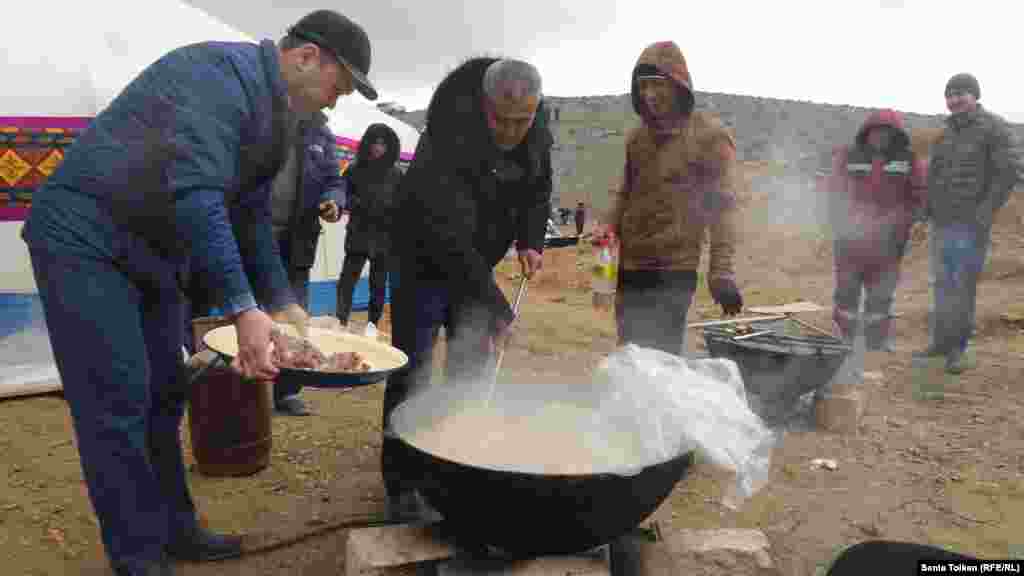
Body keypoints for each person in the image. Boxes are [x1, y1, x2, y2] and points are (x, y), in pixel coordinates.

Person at [19, 9, 377, 575]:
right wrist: (241, 307)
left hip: (153, 251)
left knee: (166, 390)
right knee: (118, 400)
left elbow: (251, 216)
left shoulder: (279, 122)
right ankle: (137, 556)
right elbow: (199, 195)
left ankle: (176, 530)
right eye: (339, 86)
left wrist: (279, 301)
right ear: (307, 57)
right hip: (83, 239)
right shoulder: (215, 76)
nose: (334, 104)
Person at [382, 58, 552, 519]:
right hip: (423, 256)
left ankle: (457, 466)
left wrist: (531, 239)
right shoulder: (448, 133)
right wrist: (498, 306)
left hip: (474, 261)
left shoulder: (537, 127)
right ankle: (401, 481)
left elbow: (538, 186)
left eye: (524, 120)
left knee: (471, 363)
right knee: (413, 367)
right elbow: (448, 240)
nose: (513, 132)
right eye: (503, 120)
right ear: (483, 106)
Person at [186, 111, 346, 417]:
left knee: (292, 313)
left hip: (297, 242)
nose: (332, 100)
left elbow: (334, 180)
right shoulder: (258, 119)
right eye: (335, 89)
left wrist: (333, 201)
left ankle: (287, 390)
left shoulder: (321, 135)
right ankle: (238, 388)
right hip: (248, 238)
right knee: (242, 313)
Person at [602, 40, 743, 355]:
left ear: (678, 85)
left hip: (674, 267)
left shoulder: (709, 137)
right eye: (643, 86)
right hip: (631, 264)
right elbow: (626, 192)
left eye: (657, 84)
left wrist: (722, 271)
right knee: (631, 353)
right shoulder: (637, 138)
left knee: (661, 358)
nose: (649, 94)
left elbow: (723, 210)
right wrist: (609, 228)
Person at [913, 73, 1020, 373]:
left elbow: (1009, 172)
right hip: (942, 223)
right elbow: (934, 177)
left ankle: (957, 350)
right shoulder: (946, 133)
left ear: (975, 96)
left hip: (970, 225)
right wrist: (925, 212)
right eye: (950, 94)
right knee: (943, 285)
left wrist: (985, 212)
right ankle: (941, 343)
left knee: (962, 287)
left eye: (961, 93)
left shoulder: (994, 128)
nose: (954, 99)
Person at [822, 110, 927, 351]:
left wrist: (897, 222)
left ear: (895, 135)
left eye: (886, 133)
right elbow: (835, 191)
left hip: (889, 242)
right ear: (867, 133)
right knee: (846, 292)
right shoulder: (848, 155)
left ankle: (876, 341)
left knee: (881, 294)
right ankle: (843, 337)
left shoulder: (908, 160)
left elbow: (918, 198)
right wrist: (844, 221)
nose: (879, 137)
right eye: (875, 132)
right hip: (850, 241)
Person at [336, 123, 402, 330]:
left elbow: (403, 203)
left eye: (383, 143)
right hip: (359, 232)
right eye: (375, 142)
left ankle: (372, 325)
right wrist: (359, 204)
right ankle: (341, 321)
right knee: (347, 281)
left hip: (385, 236)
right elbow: (341, 194)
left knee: (378, 286)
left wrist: (391, 211)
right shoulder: (354, 169)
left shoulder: (396, 174)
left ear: (389, 146)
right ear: (368, 143)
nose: (378, 147)